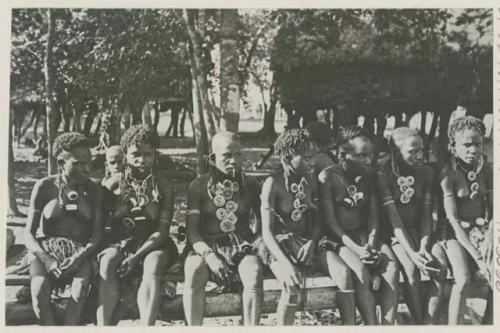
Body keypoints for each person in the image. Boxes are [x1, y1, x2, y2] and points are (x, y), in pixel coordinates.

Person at [259, 129, 356, 325]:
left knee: (344, 275)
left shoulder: (311, 180)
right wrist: (287, 265)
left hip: (308, 242)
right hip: (278, 246)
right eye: (306, 158)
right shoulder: (272, 183)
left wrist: (312, 242)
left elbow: (319, 221)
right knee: (292, 286)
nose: (312, 162)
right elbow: (267, 233)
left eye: (313, 157)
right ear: (287, 158)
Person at [97, 125, 178, 326]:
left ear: (155, 155)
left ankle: (146, 326)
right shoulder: (113, 184)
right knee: (108, 263)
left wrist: (135, 257)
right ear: (125, 155)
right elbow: (99, 223)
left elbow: (162, 232)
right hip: (120, 243)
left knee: (154, 264)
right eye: (135, 154)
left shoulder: (163, 185)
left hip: (155, 244)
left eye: (148, 154)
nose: (142, 159)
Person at [318, 125, 399, 325]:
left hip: (366, 236)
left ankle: (388, 325)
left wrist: (370, 243)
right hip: (339, 240)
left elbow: (372, 215)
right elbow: (330, 223)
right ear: (342, 154)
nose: (368, 160)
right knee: (360, 271)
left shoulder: (368, 176)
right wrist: (358, 249)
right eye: (362, 155)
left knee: (392, 268)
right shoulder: (327, 177)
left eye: (371, 155)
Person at [183, 131, 263, 326]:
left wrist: (259, 244)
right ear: (213, 158)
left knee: (253, 274)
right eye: (227, 155)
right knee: (194, 271)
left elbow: (262, 224)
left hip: (242, 245)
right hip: (205, 245)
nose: (233, 161)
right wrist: (209, 256)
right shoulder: (199, 186)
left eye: (238, 155)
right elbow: (191, 231)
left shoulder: (251, 184)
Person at [24, 132, 104, 325]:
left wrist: (79, 257)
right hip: (46, 250)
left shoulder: (95, 190)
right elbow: (28, 234)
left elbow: (98, 233)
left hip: (81, 251)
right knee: (40, 290)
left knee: (80, 290)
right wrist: (47, 260)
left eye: (89, 162)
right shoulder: (44, 187)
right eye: (78, 163)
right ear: (61, 163)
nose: (87, 168)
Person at [376, 127, 447, 324]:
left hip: (421, 233)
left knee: (439, 266)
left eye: (421, 150)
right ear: (395, 152)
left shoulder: (427, 173)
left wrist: (423, 247)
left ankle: (428, 323)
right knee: (411, 270)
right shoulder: (384, 176)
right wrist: (414, 254)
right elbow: (394, 221)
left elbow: (426, 216)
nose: (419, 155)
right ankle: (419, 323)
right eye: (412, 151)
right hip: (394, 235)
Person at [438, 116, 493, 324]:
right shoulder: (447, 174)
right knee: (463, 278)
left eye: (478, 144)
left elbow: (494, 212)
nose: (473, 150)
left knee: (496, 275)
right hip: (452, 234)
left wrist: (490, 238)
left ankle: (489, 323)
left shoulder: (486, 169)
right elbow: (452, 220)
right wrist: (478, 257)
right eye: (467, 145)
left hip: (480, 231)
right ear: (453, 146)